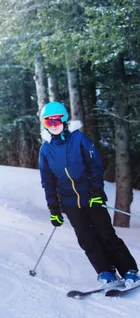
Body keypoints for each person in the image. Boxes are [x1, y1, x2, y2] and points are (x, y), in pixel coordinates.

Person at [38, 102, 139, 287]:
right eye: (48, 121)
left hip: (92, 198)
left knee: (106, 234)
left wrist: (96, 192)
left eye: (56, 119)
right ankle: (106, 272)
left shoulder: (79, 139)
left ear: (64, 119)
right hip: (70, 204)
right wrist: (54, 209)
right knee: (86, 239)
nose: (53, 124)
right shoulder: (45, 150)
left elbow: (95, 166)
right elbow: (48, 182)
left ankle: (129, 270)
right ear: (44, 123)